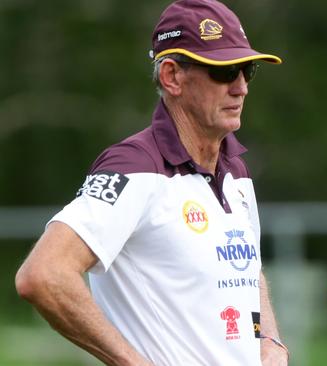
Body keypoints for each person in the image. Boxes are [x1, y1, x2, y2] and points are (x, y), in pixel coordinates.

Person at [15, 0, 289, 365]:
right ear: (171, 76)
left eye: (247, 70)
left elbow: (246, 270)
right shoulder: (134, 168)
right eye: (224, 72)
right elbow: (43, 275)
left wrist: (268, 339)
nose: (241, 88)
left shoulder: (235, 172)